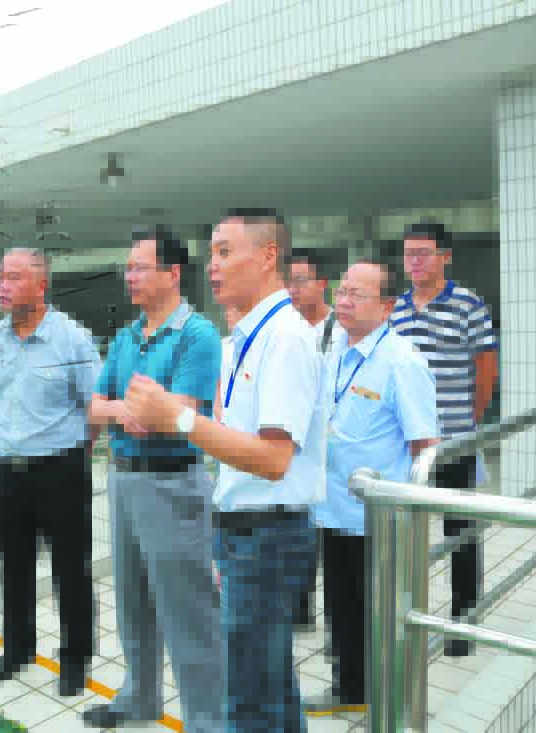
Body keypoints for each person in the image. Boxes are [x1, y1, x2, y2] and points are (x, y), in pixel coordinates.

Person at [124, 209, 325, 733]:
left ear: (268, 255)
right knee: (270, 688)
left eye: (225, 251)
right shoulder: (245, 337)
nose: (212, 265)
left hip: (269, 534)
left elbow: (274, 459)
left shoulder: (285, 337)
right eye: (212, 252)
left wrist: (177, 418)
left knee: (248, 697)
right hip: (247, 530)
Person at [83, 227, 224, 732]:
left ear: (172, 273)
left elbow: (180, 413)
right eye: (128, 267)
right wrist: (125, 410)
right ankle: (139, 698)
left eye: (139, 267)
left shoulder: (197, 336)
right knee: (133, 600)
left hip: (172, 484)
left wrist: (136, 411)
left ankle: (208, 719)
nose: (130, 276)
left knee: (189, 610)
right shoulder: (125, 337)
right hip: (123, 480)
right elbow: (94, 406)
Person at [304, 259, 439, 716]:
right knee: (342, 609)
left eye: (356, 294)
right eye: (341, 291)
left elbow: (425, 447)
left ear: (386, 307)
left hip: (380, 521)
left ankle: (391, 702)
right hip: (333, 508)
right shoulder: (335, 349)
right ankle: (350, 690)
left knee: (380, 614)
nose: (343, 301)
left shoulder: (402, 362)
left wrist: (414, 518)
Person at [0, 247, 100, 696]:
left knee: (71, 568)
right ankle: (17, 648)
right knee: (13, 564)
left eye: (14, 277)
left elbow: (94, 407)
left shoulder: (72, 339)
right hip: (8, 470)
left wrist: (70, 450)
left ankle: (75, 659)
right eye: (0, 276)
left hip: (61, 469)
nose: (2, 286)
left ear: (41, 284)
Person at [390, 221, 498, 657]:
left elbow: (486, 368)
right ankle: (406, 620)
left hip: (453, 442)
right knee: (404, 536)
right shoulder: (396, 309)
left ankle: (462, 626)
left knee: (461, 535)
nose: (414, 261)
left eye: (424, 252)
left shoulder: (468, 304)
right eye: (409, 253)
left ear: (445, 257)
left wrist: (467, 422)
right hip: (407, 447)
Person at [286, 246, 341, 632]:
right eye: (288, 281)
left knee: (329, 533)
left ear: (322, 283)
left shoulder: (340, 329)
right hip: (294, 446)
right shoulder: (286, 329)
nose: (293, 289)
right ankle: (300, 610)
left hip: (332, 448)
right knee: (298, 529)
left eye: (301, 281)